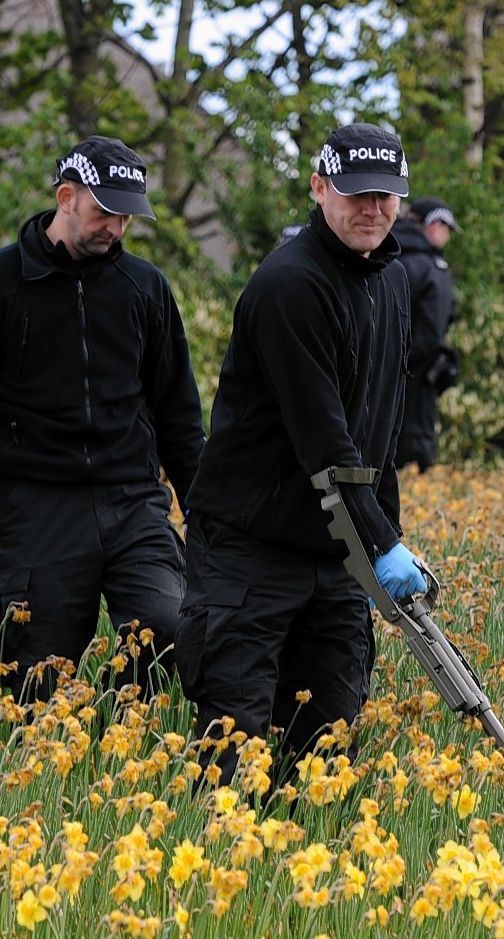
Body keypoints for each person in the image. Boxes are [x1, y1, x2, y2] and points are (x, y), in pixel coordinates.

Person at [176, 122, 428, 787]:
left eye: (386, 196)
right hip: (249, 547)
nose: (372, 209)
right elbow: (323, 438)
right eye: (356, 195)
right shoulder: (292, 285)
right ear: (319, 188)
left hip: (332, 551)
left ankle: (303, 880)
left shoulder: (394, 280)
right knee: (233, 735)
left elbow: (380, 426)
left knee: (328, 743)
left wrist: (388, 534)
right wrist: (379, 543)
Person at [0, 135, 205, 706]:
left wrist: (204, 508)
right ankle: (52, 745)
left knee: (170, 630)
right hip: (37, 502)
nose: (116, 229)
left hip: (133, 499)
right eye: (104, 213)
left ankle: (114, 727)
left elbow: (178, 413)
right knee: (32, 673)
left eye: (127, 217)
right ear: (66, 196)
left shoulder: (145, 289)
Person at [393, 195, 462, 470]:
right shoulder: (433, 269)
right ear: (434, 224)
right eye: (444, 227)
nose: (446, 235)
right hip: (418, 378)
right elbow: (432, 332)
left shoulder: (384, 256)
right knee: (415, 456)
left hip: (381, 374)